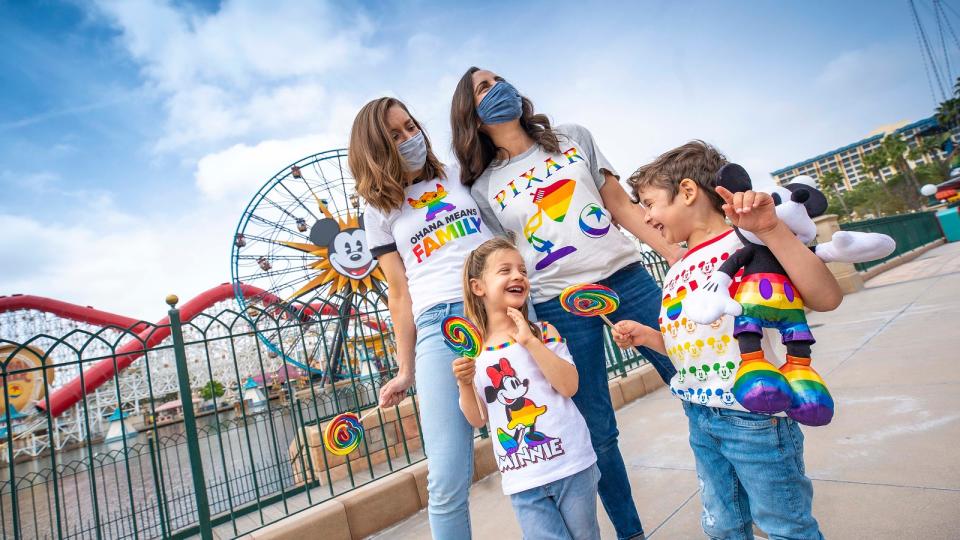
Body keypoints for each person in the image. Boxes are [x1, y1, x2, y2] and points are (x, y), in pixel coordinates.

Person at [450, 67, 679, 539]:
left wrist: (674, 253)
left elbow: (617, 202)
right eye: (484, 88)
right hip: (557, 304)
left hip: (626, 278)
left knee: (691, 370)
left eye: (500, 80)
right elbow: (507, 254)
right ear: (471, 113)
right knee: (598, 428)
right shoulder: (481, 188)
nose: (500, 89)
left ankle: (740, 485)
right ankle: (630, 532)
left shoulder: (571, 137)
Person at [613, 141, 841, 540]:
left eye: (649, 203)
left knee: (785, 525)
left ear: (687, 192)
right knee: (723, 526)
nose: (646, 218)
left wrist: (770, 229)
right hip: (700, 414)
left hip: (756, 414)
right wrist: (651, 336)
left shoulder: (748, 243)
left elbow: (826, 298)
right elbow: (690, 345)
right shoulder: (676, 269)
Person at [351, 97, 492, 539]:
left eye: (410, 127)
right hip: (438, 325)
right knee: (447, 477)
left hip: (496, 312)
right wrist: (405, 368)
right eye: (394, 135)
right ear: (375, 147)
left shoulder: (456, 175)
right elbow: (399, 292)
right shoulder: (378, 212)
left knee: (536, 446)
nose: (409, 138)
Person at [453, 237, 600, 540]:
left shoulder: (544, 332)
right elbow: (478, 418)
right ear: (478, 287)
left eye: (521, 270)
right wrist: (464, 384)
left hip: (571, 464)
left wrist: (531, 343)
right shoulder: (474, 353)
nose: (518, 275)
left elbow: (569, 386)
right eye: (504, 270)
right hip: (522, 478)